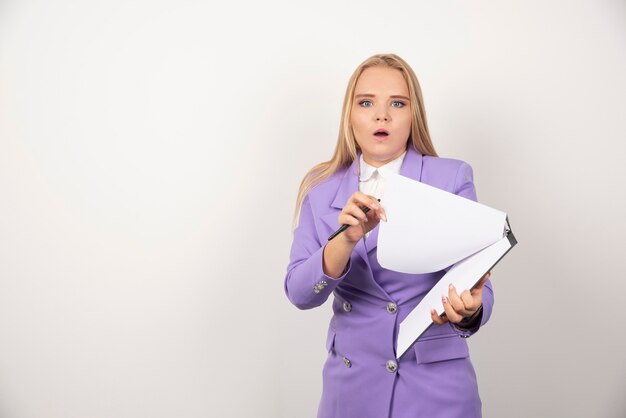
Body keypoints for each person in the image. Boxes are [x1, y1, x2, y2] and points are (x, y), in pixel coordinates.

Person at [284, 53, 494, 418]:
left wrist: (469, 310)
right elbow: (301, 294)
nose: (382, 115)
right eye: (366, 103)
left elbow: (478, 287)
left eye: (397, 103)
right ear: (349, 115)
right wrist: (344, 240)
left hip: (437, 391)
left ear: (414, 116)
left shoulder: (452, 178)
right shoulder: (320, 190)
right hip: (351, 392)